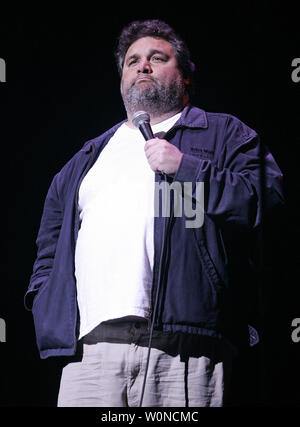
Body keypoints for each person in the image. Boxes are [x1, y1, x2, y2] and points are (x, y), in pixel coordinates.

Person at [25, 19, 284, 407]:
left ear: (184, 79)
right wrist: (45, 303)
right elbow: (49, 249)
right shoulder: (86, 159)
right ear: (121, 81)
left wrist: (186, 168)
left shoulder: (223, 134)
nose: (142, 66)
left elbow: (266, 198)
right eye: (132, 61)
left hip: (186, 349)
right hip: (91, 355)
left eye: (157, 58)